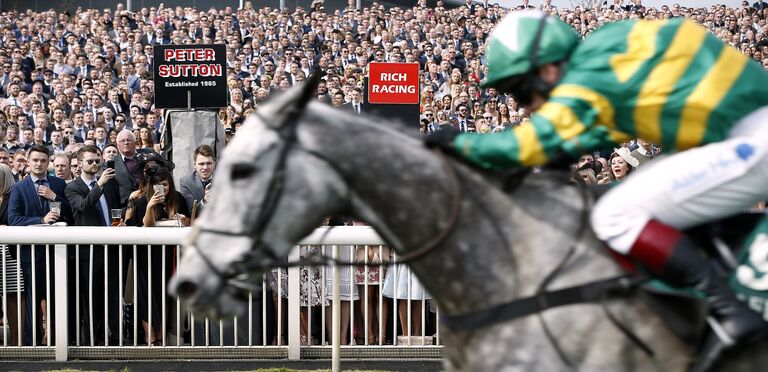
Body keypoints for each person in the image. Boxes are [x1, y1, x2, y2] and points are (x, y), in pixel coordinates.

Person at [426, 10, 768, 358]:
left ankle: (729, 313)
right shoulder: (604, 51)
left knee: (614, 215)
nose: (525, 107)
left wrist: (458, 142)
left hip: (748, 136)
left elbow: (528, 144)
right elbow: (603, 128)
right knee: (639, 193)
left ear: (547, 70)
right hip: (737, 129)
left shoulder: (587, 77)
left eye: (521, 92)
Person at [7, 145, 72, 345]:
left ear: (48, 162)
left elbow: (72, 214)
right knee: (32, 300)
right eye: (35, 160)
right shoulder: (19, 187)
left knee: (57, 297)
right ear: (28, 161)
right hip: (31, 253)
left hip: (57, 252)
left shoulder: (59, 184)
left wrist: (55, 197)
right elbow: (13, 219)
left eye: (43, 160)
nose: (39, 164)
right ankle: (31, 342)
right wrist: (41, 221)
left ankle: (56, 340)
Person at [64, 145, 122, 345]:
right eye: (90, 161)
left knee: (113, 294)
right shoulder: (73, 187)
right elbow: (82, 206)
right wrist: (100, 186)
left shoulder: (110, 184)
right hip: (88, 252)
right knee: (92, 295)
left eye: (98, 160)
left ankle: (116, 337)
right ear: (79, 164)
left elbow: (115, 208)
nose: (95, 164)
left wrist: (120, 219)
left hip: (112, 247)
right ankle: (93, 339)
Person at [125, 166, 189, 345]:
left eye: (165, 185)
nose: (162, 189)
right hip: (146, 255)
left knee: (165, 294)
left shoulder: (178, 199)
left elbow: (189, 221)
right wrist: (151, 205)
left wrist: (183, 219)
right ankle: (149, 337)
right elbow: (147, 225)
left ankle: (161, 336)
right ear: (151, 186)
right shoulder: (141, 200)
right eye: (157, 185)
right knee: (146, 296)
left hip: (169, 255)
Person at [0, 163, 26, 346]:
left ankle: (17, 341)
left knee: (13, 296)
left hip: (11, 255)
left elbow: (17, 219)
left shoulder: (13, 196)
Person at [179, 144, 216, 219]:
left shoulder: (225, 179)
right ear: (194, 165)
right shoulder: (186, 182)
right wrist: (205, 201)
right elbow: (191, 213)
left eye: (209, 163)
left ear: (214, 163)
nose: (205, 167)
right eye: (201, 164)